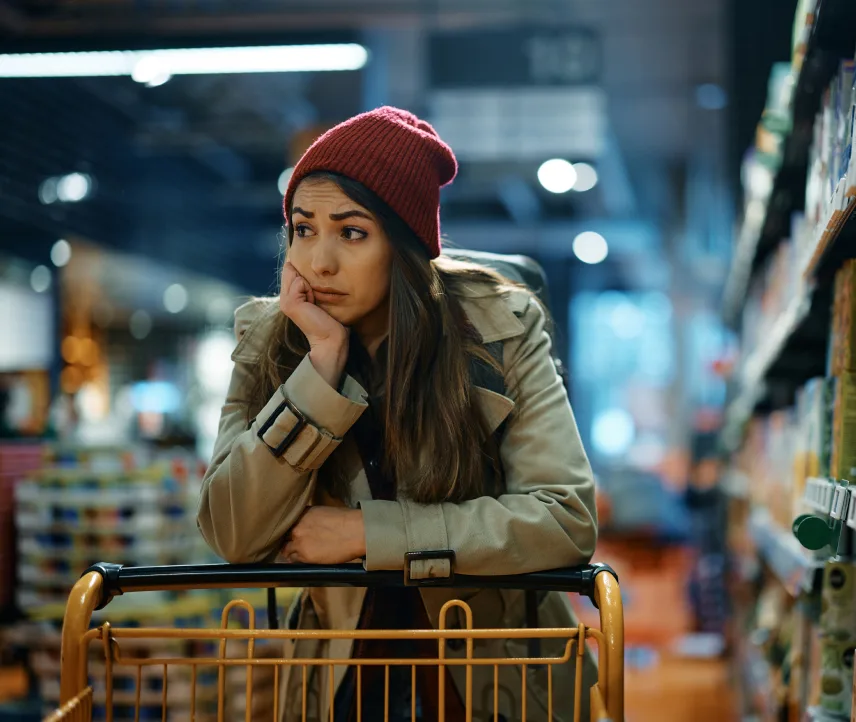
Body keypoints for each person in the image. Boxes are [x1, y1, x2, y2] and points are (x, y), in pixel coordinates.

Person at [197, 106, 598, 722]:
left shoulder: (498, 330)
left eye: (351, 233)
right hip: (340, 679)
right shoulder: (269, 341)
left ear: (404, 244)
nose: (319, 262)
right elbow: (232, 531)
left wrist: (366, 534)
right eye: (304, 229)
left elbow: (565, 519)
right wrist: (320, 369)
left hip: (494, 676)